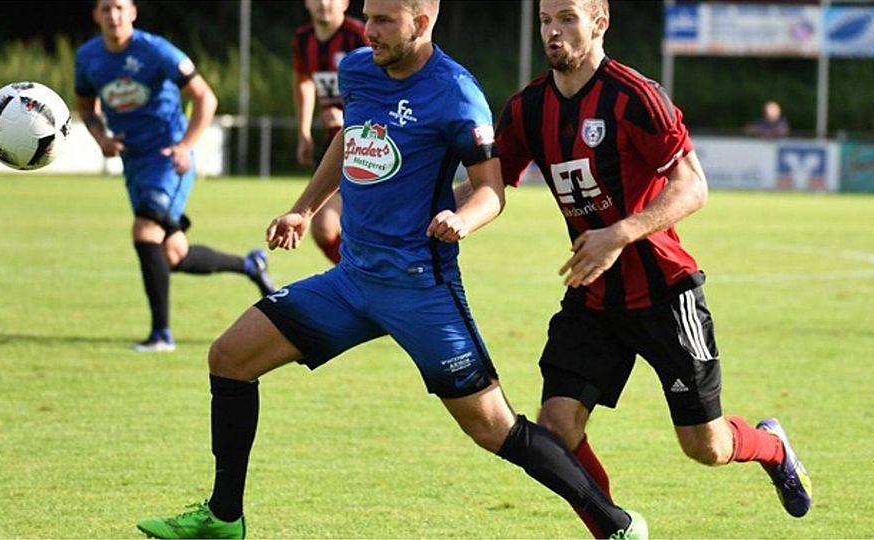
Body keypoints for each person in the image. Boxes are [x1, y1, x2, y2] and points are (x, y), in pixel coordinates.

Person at [136, 1, 646, 538]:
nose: (368, 31)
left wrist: (462, 219)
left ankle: (613, 524)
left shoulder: (455, 92)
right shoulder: (358, 69)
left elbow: (493, 191)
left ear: (421, 24)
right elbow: (347, 136)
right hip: (350, 281)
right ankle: (223, 518)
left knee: (493, 427)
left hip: (419, 289)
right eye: (367, 17)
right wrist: (304, 208)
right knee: (229, 357)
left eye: (382, 21)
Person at [491, 0, 812, 534]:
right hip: (593, 294)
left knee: (705, 446)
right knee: (557, 426)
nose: (552, 30)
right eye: (546, 18)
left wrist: (618, 234)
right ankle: (614, 529)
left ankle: (773, 448)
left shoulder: (634, 96)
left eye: (567, 17)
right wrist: (420, 206)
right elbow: (489, 184)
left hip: (666, 292)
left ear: (600, 22)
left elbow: (693, 186)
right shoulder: (526, 110)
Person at [75, 0, 276, 352]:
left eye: (120, 7)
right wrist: (101, 138)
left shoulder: (155, 51)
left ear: (134, 12)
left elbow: (205, 98)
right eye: (106, 9)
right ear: (96, 15)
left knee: (145, 231)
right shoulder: (88, 56)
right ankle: (250, 264)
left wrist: (186, 146)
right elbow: (86, 105)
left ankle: (161, 336)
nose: (114, 15)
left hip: (169, 160)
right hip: (134, 163)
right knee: (172, 255)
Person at [292, 0, 368, 264]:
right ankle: (358, 278)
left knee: (327, 225)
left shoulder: (361, 36)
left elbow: (386, 86)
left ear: (346, 2)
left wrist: (348, 117)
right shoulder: (303, 39)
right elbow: (303, 81)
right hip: (334, 143)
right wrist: (304, 132)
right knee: (324, 229)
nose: (324, 3)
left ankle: (362, 280)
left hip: (370, 143)